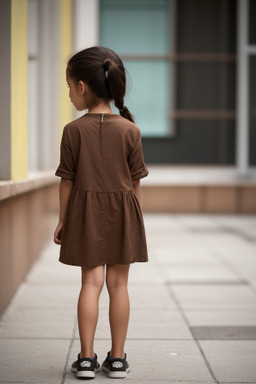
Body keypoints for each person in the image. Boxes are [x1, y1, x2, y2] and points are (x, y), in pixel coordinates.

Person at [54, 46, 149, 380]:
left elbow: (66, 182)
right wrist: (136, 222)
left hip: (86, 215)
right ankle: (118, 359)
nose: (68, 94)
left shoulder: (73, 131)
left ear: (82, 87)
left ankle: (85, 359)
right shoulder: (131, 131)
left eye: (69, 86)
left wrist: (64, 218)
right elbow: (136, 184)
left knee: (90, 284)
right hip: (124, 215)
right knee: (118, 286)